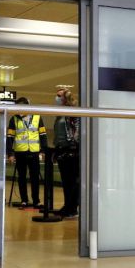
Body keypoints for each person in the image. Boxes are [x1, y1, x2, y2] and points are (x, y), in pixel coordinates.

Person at [6, 97, 47, 209]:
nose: (18, 110)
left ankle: (36, 201)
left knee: (35, 178)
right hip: (20, 152)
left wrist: (43, 150)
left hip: (34, 153)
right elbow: (10, 138)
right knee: (22, 177)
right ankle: (24, 200)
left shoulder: (37, 118)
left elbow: (43, 135)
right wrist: (10, 154)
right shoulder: (14, 119)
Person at [53, 88, 80, 219]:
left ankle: (72, 207)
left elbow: (77, 132)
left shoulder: (73, 113)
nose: (56, 98)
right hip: (61, 150)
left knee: (72, 181)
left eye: (58, 96)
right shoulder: (59, 114)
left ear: (64, 98)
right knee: (66, 182)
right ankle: (67, 206)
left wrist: (74, 145)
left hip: (72, 151)